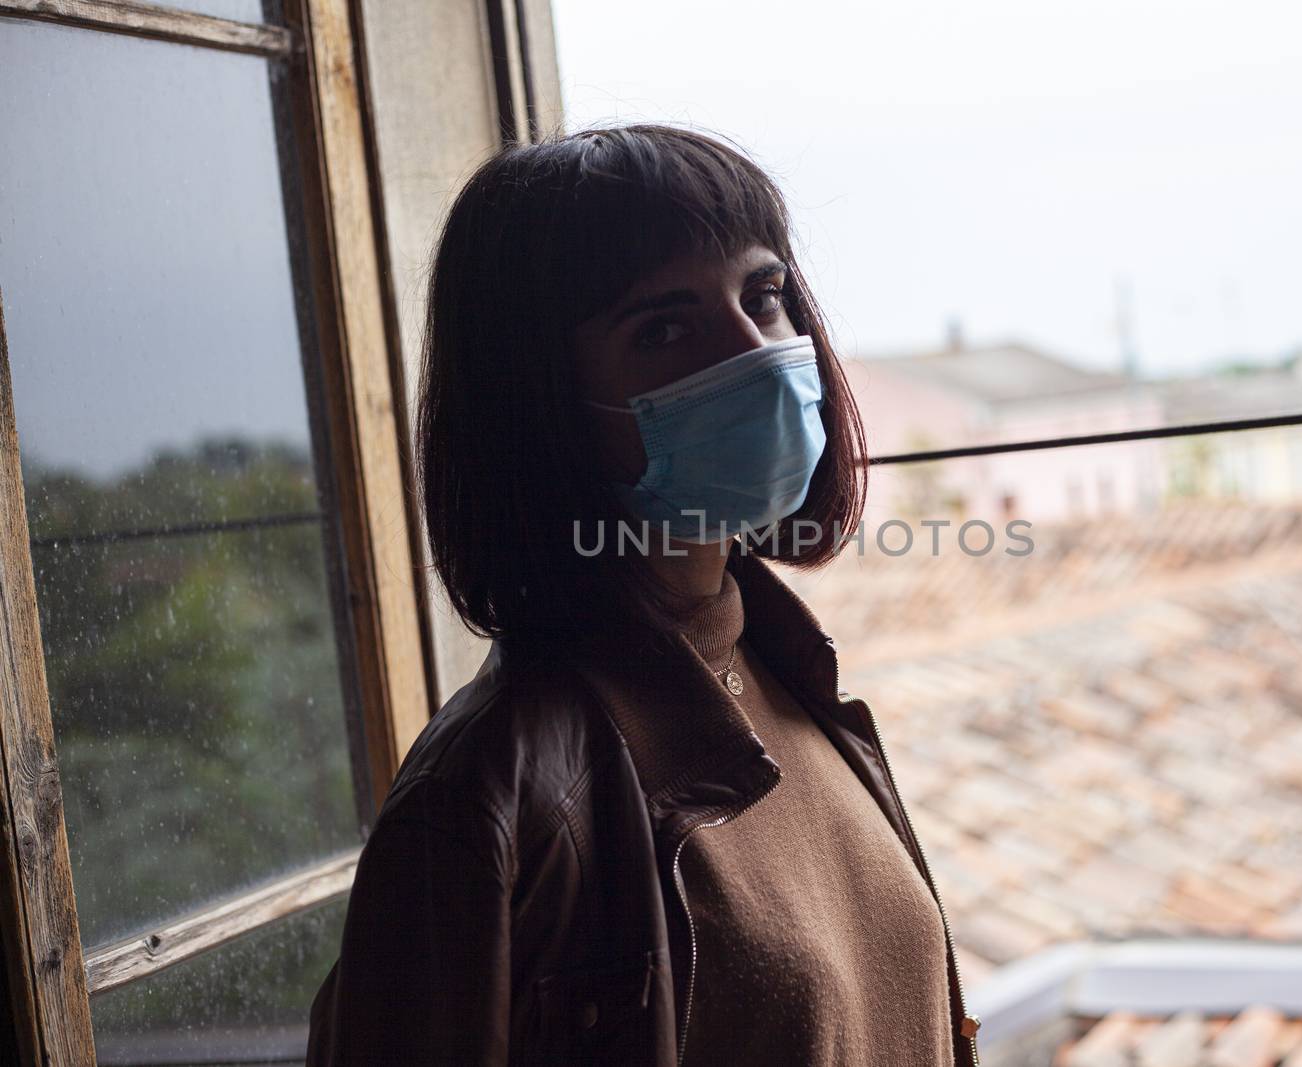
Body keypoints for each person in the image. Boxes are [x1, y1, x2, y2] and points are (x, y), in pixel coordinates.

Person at [304, 123, 982, 1066]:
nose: (753, 351)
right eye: (664, 327)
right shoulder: (481, 800)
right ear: (537, 399)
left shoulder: (786, 672)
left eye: (766, 295)